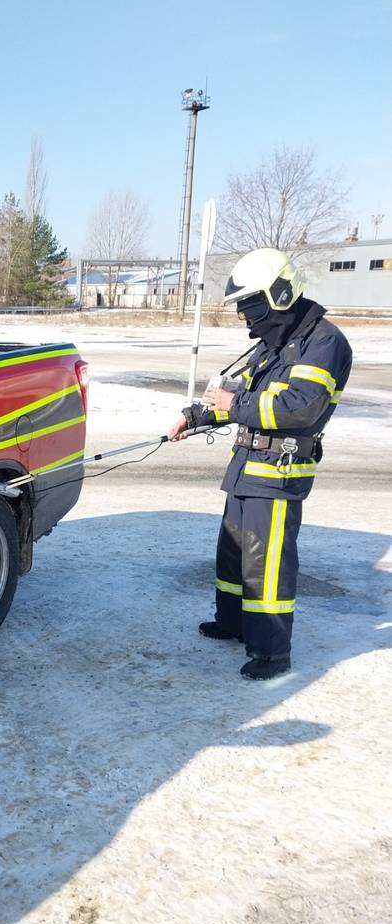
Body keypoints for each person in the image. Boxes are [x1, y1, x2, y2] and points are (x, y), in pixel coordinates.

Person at [168, 247, 352, 680]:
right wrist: (196, 417)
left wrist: (234, 404)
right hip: (247, 466)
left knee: (266, 566)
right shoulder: (276, 344)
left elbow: (299, 407)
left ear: (279, 296)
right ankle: (233, 622)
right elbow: (236, 397)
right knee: (233, 553)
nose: (247, 318)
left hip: (278, 472)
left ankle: (271, 653)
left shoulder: (324, 343)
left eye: (251, 307)